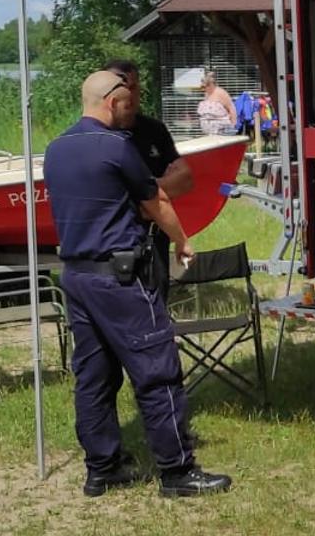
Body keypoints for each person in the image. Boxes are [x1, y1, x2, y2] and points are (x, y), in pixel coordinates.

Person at [43, 70, 230, 498]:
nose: (131, 108)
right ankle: (177, 471)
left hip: (76, 275)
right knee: (157, 371)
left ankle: (102, 467)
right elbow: (156, 201)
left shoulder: (55, 150)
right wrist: (183, 242)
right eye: (127, 100)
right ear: (111, 101)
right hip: (121, 278)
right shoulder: (117, 147)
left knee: (93, 376)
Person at [102, 59, 193, 201]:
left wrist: (134, 193)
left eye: (132, 88)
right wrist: (161, 186)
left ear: (139, 89)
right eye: (120, 89)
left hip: (155, 221)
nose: (127, 95)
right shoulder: (95, 133)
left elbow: (185, 180)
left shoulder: (155, 129)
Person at [196, 70, 239, 136]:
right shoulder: (207, 94)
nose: (203, 89)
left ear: (211, 85)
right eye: (202, 87)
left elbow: (231, 108)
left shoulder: (221, 93)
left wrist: (233, 126)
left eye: (204, 87)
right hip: (208, 133)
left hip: (221, 131)